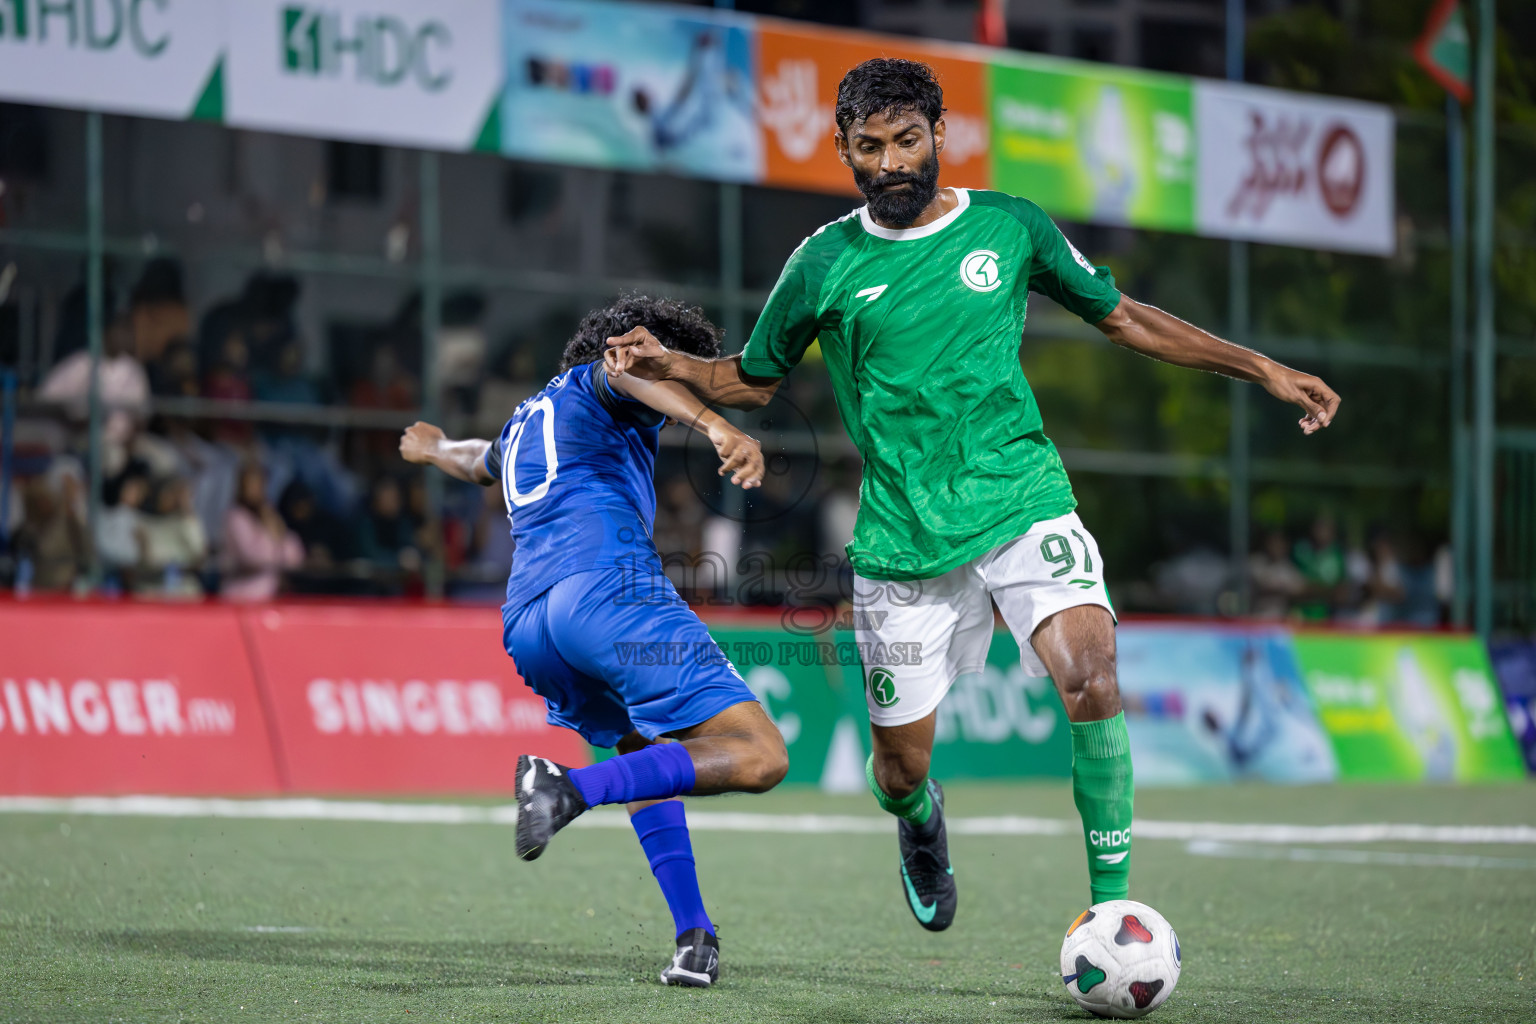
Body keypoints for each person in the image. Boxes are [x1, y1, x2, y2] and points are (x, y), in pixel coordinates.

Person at [606, 59, 1341, 928]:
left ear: (940, 136)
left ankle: (1114, 915)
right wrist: (673, 365)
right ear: (844, 149)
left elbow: (1125, 316)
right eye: (870, 147)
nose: (891, 163)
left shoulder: (1009, 225)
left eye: (908, 140)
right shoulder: (824, 263)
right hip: (903, 539)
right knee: (900, 770)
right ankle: (921, 824)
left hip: (1019, 497)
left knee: (1093, 678)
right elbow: (752, 380)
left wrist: (1261, 366)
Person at [400, 295, 786, 989]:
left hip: (531, 625)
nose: (685, 374)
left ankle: (693, 937)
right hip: (607, 591)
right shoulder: (602, 382)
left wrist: (430, 449)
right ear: (624, 348)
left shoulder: (524, 420)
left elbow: (471, 460)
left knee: (646, 751)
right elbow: (635, 378)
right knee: (760, 755)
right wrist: (716, 425)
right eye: (680, 362)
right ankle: (567, 786)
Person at [221, 461, 303, 602]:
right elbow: (253, 557)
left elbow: (295, 556)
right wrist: (273, 536)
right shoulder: (235, 517)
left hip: (271, 595)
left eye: (259, 483)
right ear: (241, 486)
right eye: (250, 484)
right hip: (242, 596)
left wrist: (275, 531)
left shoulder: (268, 513)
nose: (255, 489)